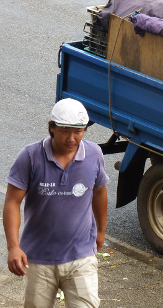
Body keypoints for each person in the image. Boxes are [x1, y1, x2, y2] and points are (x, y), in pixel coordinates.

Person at [3, 98, 109, 307]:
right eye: (64, 131)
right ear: (51, 127)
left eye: (78, 131)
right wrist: (13, 247)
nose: (71, 138)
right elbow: (12, 202)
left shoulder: (94, 154)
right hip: (38, 259)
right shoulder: (30, 157)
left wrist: (101, 231)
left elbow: (99, 193)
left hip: (81, 257)